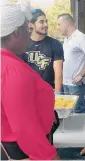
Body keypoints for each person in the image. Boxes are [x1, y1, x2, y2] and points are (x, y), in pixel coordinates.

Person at [1, 3, 60, 160]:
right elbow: (25, 128)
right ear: (16, 33)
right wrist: (49, 156)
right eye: (27, 30)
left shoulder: (6, 63)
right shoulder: (13, 71)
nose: (30, 35)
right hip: (25, 150)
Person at [57, 13, 85, 113]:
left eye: (59, 24)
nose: (58, 28)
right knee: (67, 112)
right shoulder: (67, 39)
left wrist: (82, 74)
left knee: (77, 113)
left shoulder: (80, 37)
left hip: (76, 85)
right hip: (66, 83)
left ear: (66, 23)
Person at [19, 9, 64, 92]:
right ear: (31, 24)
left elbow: (58, 71)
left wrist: (58, 94)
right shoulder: (22, 44)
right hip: (28, 91)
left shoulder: (55, 44)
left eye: (46, 21)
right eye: (41, 22)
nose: (46, 24)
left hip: (49, 91)